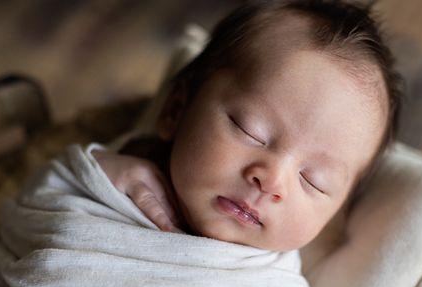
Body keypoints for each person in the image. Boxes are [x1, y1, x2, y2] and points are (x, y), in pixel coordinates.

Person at [93, 0, 404, 252]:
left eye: (314, 181)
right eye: (249, 130)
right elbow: (48, 209)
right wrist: (97, 172)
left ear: (335, 214)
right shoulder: (117, 176)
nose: (271, 181)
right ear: (176, 110)